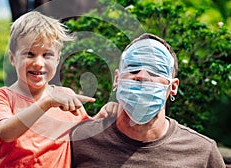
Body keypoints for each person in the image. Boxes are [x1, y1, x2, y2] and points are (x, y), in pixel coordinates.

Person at [70, 33, 225, 168]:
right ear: (117, 79)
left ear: (173, 87)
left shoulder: (202, 153)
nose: (142, 76)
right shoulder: (79, 140)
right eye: (133, 69)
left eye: (154, 71)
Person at [0, 11, 117, 167]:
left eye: (47, 54)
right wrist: (46, 103)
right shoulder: (3, 96)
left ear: (57, 59)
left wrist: (103, 115)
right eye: (29, 54)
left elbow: (85, 132)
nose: (38, 63)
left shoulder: (65, 96)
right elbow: (5, 133)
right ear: (12, 58)